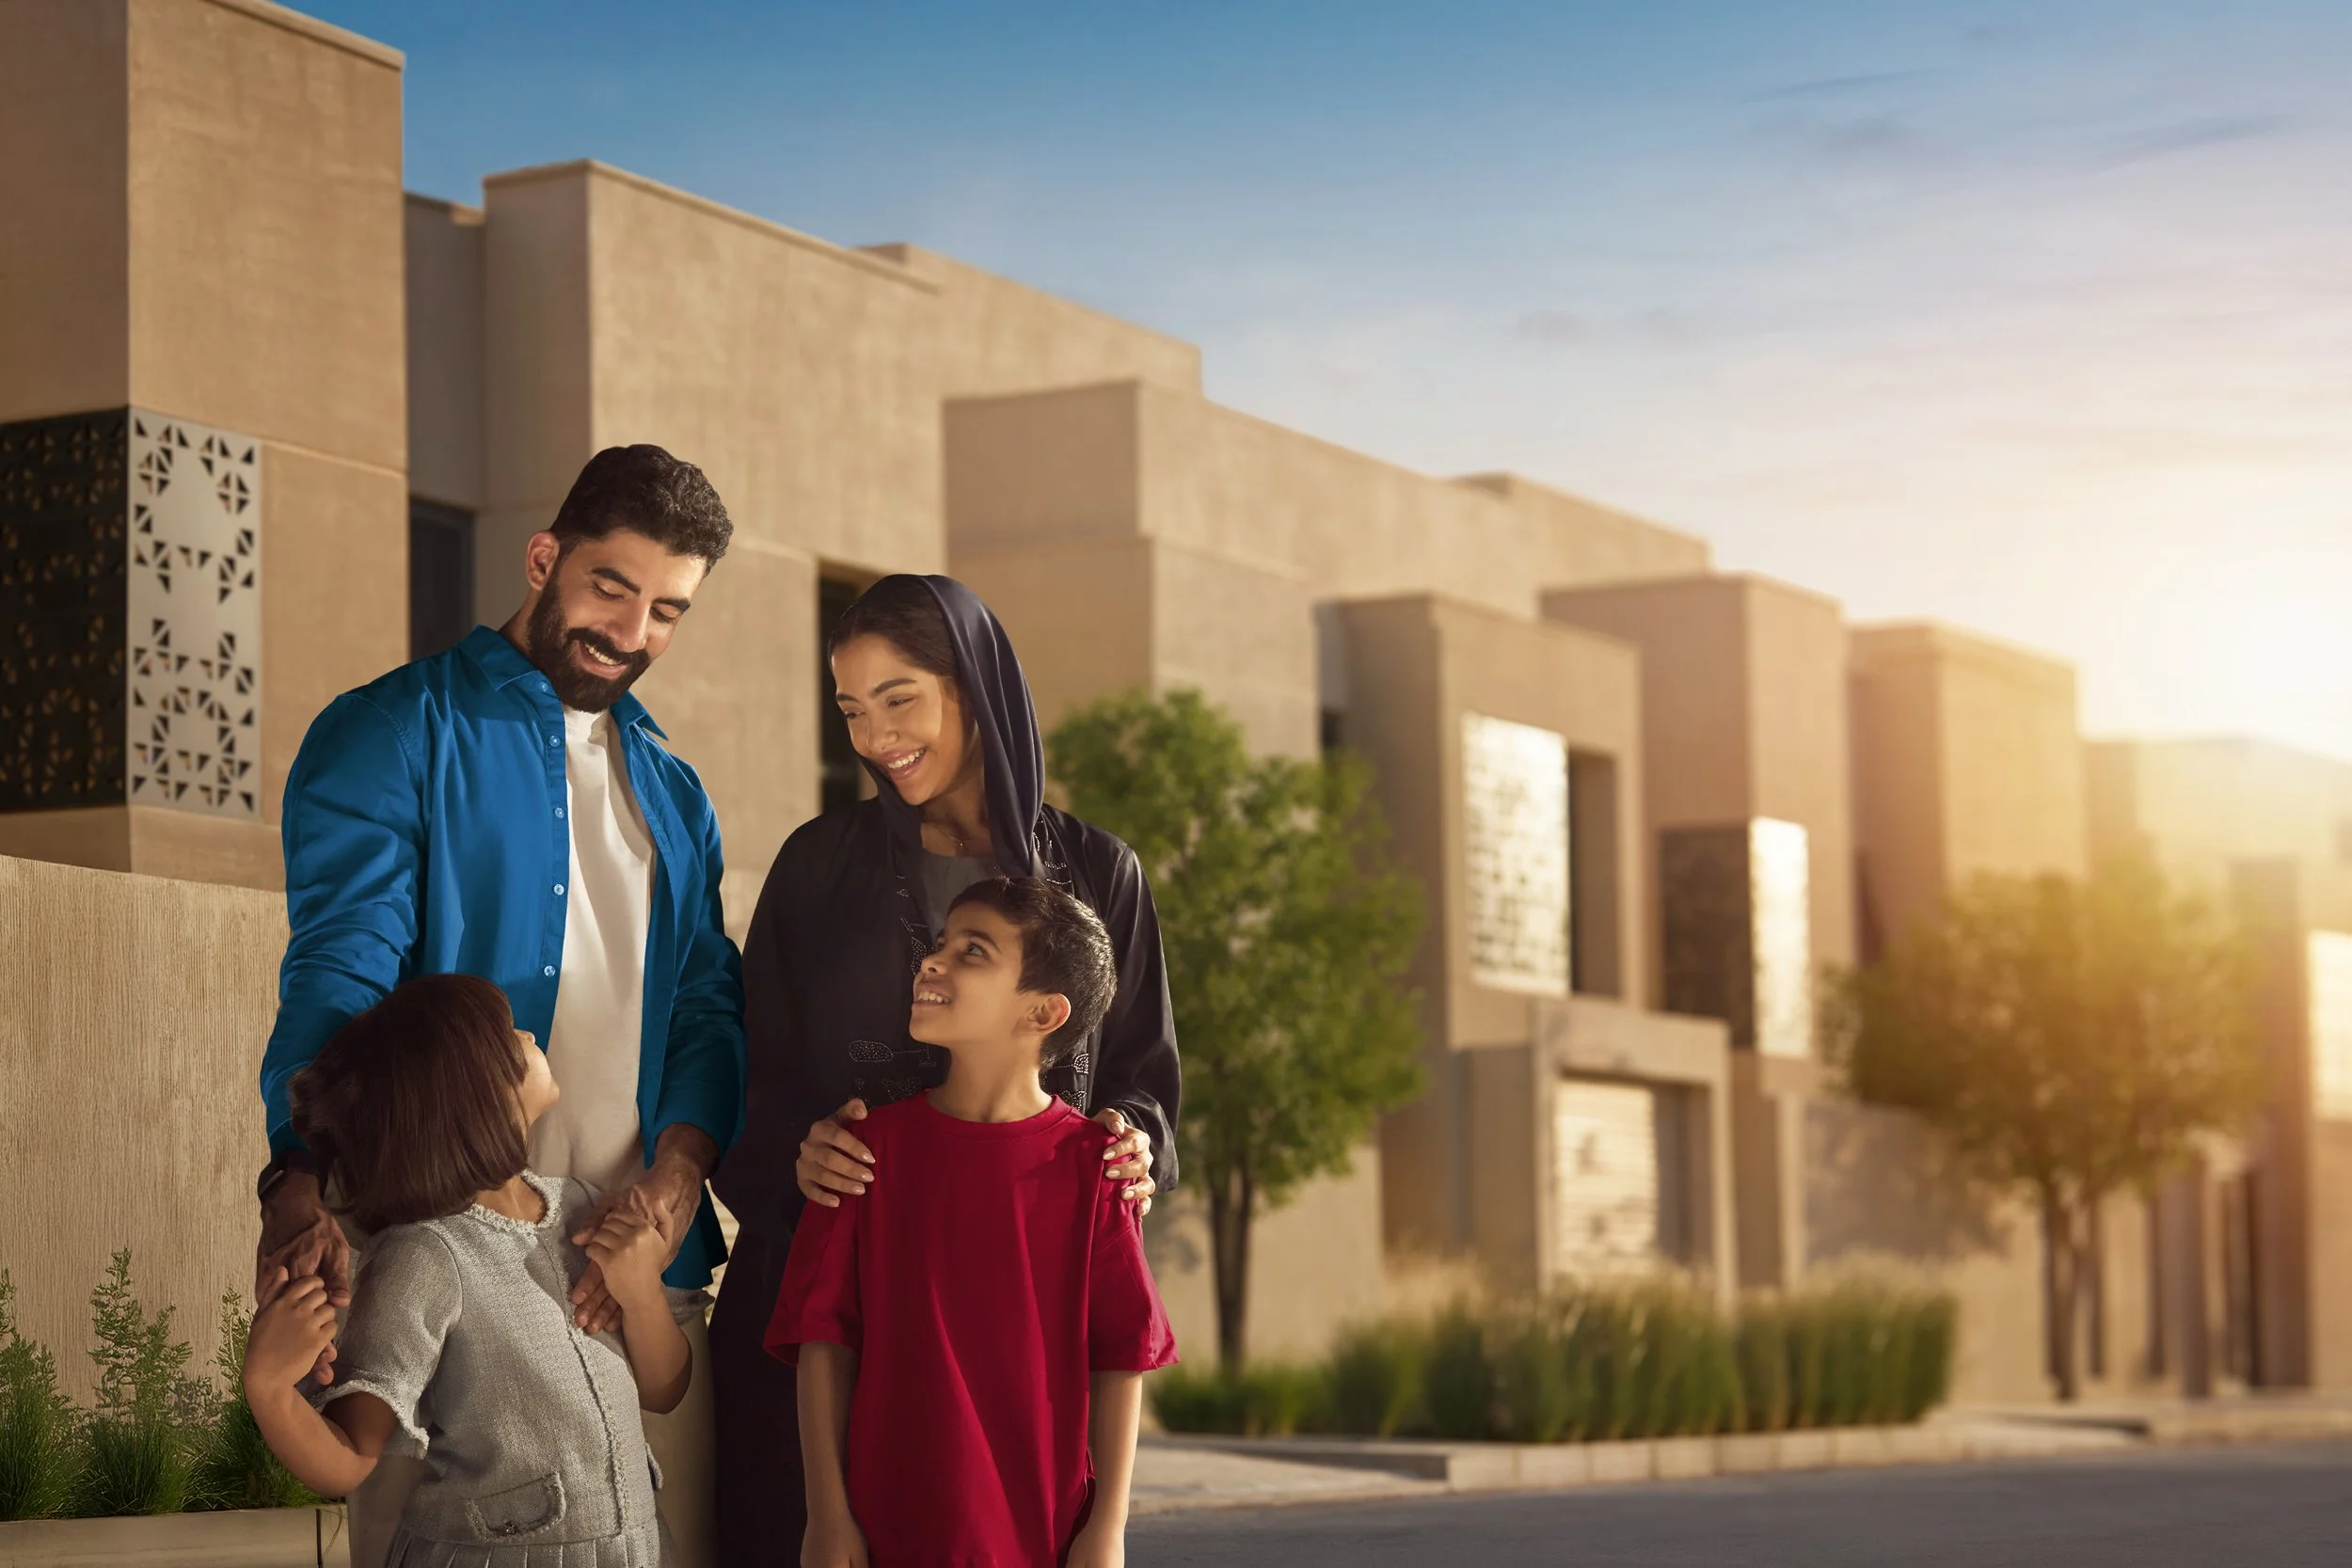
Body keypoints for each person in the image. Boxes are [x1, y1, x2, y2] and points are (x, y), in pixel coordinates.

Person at [252, 444, 745, 1568]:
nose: (632, 632)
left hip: (634, 1274)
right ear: (542, 558)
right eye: (610, 587)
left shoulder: (676, 793)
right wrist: (297, 1175)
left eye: (667, 609)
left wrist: (677, 1178)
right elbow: (340, 971)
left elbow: (706, 1003)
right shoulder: (391, 730)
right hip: (429, 1257)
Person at [708, 576, 1183, 1561]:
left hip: (1014, 1358)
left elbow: (1142, 1077)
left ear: (974, 687)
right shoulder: (819, 865)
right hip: (820, 1336)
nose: (875, 735)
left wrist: (1137, 1141)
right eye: (851, 709)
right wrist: (793, 1151)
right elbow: (741, 1067)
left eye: (899, 698)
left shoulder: (1101, 874)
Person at [769, 878, 1176, 1566]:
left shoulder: (1096, 1169)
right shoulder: (861, 1154)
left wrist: (1107, 1529)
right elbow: (824, 1342)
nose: (932, 960)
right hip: (889, 1531)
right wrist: (827, 1516)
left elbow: (1120, 1358)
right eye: (941, 942)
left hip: (1044, 1534)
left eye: (973, 951)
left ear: (1043, 1011)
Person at [244, 974, 688, 1568]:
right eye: (507, 1033)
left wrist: (643, 1294)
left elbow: (663, 1391)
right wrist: (270, 1389)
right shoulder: (421, 1258)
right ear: (470, 1095)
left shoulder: (587, 1208)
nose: (528, 1034)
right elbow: (348, 1458)